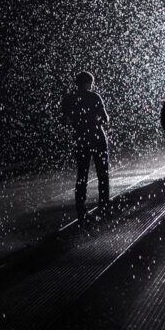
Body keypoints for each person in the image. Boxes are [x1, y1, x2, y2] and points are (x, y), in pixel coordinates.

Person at [60, 71, 110, 224]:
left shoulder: (69, 99)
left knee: (82, 175)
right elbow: (105, 118)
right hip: (97, 137)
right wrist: (95, 120)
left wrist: (77, 122)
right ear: (88, 82)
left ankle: (81, 209)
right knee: (103, 173)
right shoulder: (94, 97)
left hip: (81, 139)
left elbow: (63, 120)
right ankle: (104, 206)